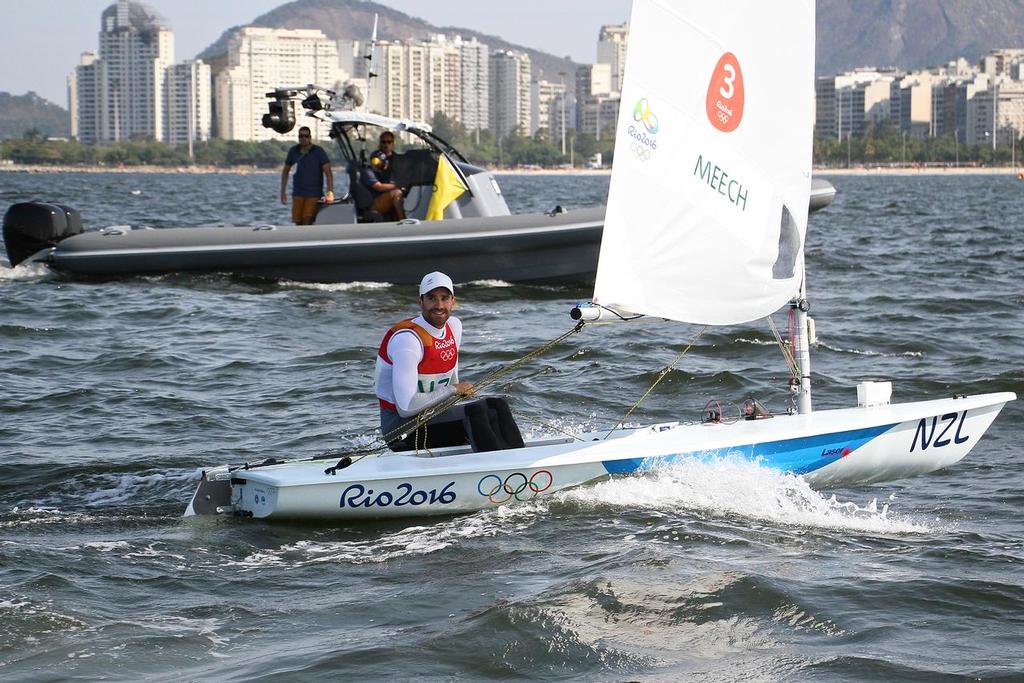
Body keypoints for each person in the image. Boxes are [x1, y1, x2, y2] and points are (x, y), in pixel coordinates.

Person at [375, 271, 524, 452]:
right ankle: (492, 470)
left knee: (496, 405)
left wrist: (458, 392)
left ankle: (518, 460)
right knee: (475, 412)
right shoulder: (408, 340)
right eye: (431, 298)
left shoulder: (454, 326)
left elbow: (451, 375)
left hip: (433, 417)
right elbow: (405, 408)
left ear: (453, 301)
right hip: (401, 431)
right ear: (420, 301)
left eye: (444, 298)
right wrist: (453, 390)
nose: (439, 305)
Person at [280, 126, 334, 225]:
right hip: (298, 193)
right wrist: (283, 191)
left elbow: (328, 173)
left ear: (310, 137)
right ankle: (300, 240)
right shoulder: (293, 151)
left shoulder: (318, 151)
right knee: (298, 221)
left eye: (306, 136)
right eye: (301, 136)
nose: (303, 138)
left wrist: (330, 192)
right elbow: (285, 171)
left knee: (307, 219)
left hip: (313, 194)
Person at [361, 131, 406, 220]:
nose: (386, 145)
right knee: (397, 193)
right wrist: (399, 185)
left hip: (388, 197)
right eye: (383, 142)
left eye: (389, 142)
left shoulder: (397, 162)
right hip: (374, 202)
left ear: (393, 143)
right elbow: (379, 187)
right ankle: (404, 221)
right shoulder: (368, 169)